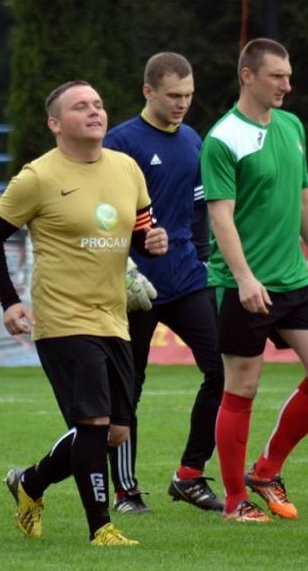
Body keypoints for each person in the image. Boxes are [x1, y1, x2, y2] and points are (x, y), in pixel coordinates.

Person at [0, 80, 168, 546]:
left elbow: (142, 231)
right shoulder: (38, 177)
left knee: (115, 432)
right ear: (56, 124)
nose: (94, 112)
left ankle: (30, 482)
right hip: (63, 320)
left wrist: (153, 243)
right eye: (81, 106)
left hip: (114, 317)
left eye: (98, 104)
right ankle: (101, 527)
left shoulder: (126, 169)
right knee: (93, 424)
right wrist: (9, 301)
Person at [200, 38, 308, 523]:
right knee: (242, 386)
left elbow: (304, 199)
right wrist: (244, 278)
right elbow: (221, 216)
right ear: (247, 76)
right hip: (242, 284)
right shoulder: (222, 138)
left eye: (288, 75)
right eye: (277, 76)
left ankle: (267, 471)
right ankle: (235, 501)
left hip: (292, 281)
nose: (287, 85)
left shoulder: (291, 126)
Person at [102, 53, 224, 513]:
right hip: (135, 287)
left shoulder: (192, 139)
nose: (182, 104)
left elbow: (198, 210)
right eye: (174, 95)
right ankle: (126, 491)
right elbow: (102, 213)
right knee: (127, 387)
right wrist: (138, 239)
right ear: (148, 91)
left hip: (187, 278)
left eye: (188, 95)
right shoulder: (120, 143)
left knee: (224, 370)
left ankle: (190, 475)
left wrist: (204, 260)